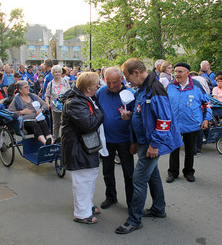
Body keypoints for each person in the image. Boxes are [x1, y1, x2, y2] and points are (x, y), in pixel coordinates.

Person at [115, 58, 182, 234]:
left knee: (138, 179)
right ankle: (159, 208)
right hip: (146, 141)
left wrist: (155, 144)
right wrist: (131, 117)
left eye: (128, 78)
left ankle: (134, 220)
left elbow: (164, 120)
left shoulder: (154, 88)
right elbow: (144, 114)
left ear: (136, 72)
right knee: (152, 176)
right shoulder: (144, 88)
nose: (127, 82)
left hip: (152, 143)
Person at [61, 72, 104, 224]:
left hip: (85, 146)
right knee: (82, 181)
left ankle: (87, 206)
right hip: (78, 147)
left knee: (90, 177)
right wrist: (100, 112)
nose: (98, 87)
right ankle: (81, 213)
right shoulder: (75, 102)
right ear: (88, 88)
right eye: (96, 85)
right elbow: (89, 124)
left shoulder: (83, 98)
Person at [96, 67, 135, 210]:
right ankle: (110, 196)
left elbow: (137, 120)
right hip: (106, 140)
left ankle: (131, 202)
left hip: (125, 140)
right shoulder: (101, 92)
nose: (111, 86)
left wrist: (134, 140)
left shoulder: (130, 94)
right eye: (108, 82)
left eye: (114, 83)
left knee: (129, 173)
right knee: (107, 171)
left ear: (121, 80)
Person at [166, 63, 212, 183]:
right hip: (174, 124)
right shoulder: (170, 86)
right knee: (174, 148)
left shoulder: (196, 86)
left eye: (180, 72)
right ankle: (173, 172)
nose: (177, 74)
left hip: (191, 124)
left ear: (187, 73)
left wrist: (206, 119)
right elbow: (164, 104)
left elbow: (207, 103)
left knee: (190, 150)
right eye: (175, 71)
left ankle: (189, 172)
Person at [8, 80, 52, 145]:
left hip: (37, 117)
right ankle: (45, 143)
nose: (28, 88)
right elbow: (10, 112)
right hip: (26, 121)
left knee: (43, 123)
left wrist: (41, 109)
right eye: (25, 87)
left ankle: (51, 142)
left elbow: (45, 105)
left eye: (28, 86)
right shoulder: (17, 100)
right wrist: (22, 112)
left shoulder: (33, 96)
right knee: (34, 125)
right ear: (20, 90)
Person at [45, 65, 70, 143]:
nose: (57, 73)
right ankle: (55, 139)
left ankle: (65, 138)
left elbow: (69, 93)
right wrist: (47, 104)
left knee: (65, 123)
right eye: (56, 72)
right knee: (56, 124)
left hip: (64, 106)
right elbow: (47, 95)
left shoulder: (65, 82)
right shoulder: (50, 84)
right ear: (53, 73)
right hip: (55, 107)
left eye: (59, 72)